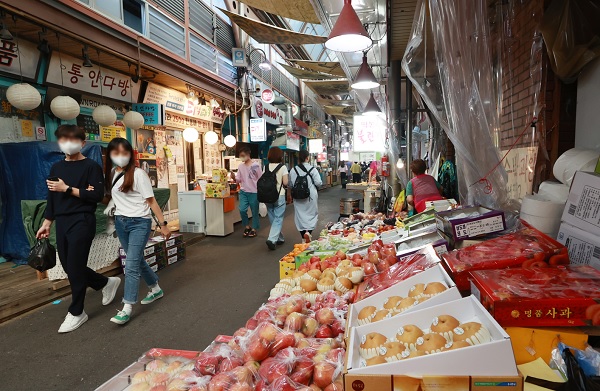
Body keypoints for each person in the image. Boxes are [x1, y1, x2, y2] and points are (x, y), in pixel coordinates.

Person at [36, 125, 120, 333]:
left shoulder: (91, 166)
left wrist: (68, 189)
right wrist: (47, 222)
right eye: (63, 139)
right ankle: (105, 283)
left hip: (82, 220)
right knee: (69, 266)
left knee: (74, 265)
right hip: (62, 222)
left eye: (73, 139)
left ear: (83, 143)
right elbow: (52, 197)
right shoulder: (56, 167)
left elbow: (97, 195)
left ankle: (77, 312)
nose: (68, 143)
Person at [104, 138, 171, 325]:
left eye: (124, 153)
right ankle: (155, 288)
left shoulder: (139, 174)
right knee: (137, 260)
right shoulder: (111, 173)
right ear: (110, 155)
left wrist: (164, 224)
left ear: (130, 154)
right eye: (116, 153)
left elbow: (152, 202)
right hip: (121, 223)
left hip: (139, 224)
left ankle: (126, 308)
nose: (120, 157)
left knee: (131, 265)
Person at [290, 150, 323, 243]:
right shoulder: (312, 169)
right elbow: (319, 183)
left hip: (297, 195)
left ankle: (303, 236)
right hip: (310, 196)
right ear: (307, 158)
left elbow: (290, 184)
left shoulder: (293, 170)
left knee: (300, 215)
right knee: (312, 214)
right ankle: (308, 232)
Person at [234, 146, 261, 238]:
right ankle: (247, 226)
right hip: (243, 191)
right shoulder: (240, 166)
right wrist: (234, 177)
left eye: (243, 155)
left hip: (254, 191)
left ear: (248, 154)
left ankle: (254, 229)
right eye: (240, 156)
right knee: (242, 209)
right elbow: (238, 179)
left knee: (254, 211)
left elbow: (260, 178)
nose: (241, 157)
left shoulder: (255, 165)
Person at [264, 147, 289, 250]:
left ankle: (280, 238)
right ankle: (272, 239)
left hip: (267, 195)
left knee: (273, 217)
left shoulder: (265, 167)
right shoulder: (283, 168)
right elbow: (286, 182)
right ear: (280, 156)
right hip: (279, 195)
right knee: (278, 218)